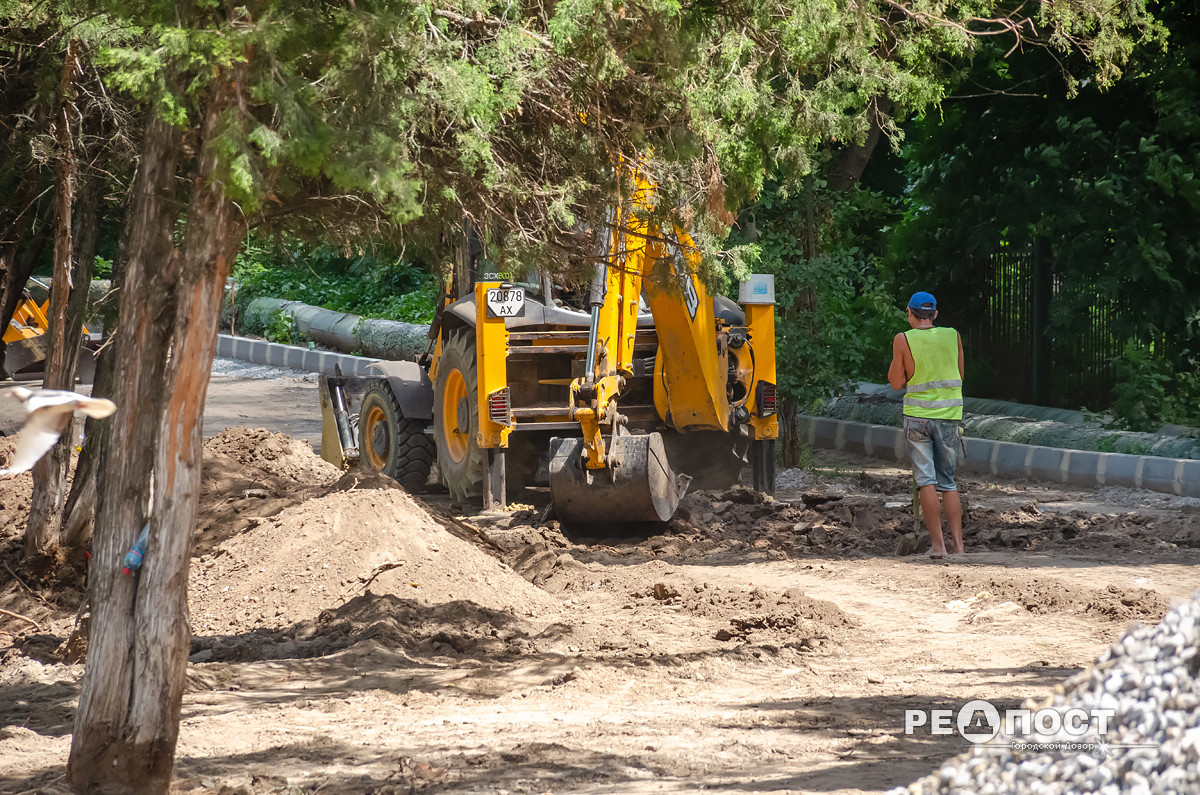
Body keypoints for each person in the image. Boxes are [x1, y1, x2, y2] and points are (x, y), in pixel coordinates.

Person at [887, 291, 965, 558]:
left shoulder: (903, 339)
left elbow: (896, 382)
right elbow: (960, 374)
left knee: (926, 481)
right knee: (948, 482)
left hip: (918, 417)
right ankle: (958, 546)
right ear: (935, 314)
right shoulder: (953, 335)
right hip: (949, 416)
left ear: (909, 313)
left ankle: (937, 546)